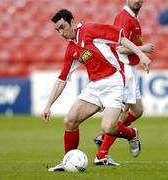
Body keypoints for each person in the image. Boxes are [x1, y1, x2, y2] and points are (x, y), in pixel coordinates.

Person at [42, 9, 151, 171]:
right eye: (57, 30)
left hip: (114, 82)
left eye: (62, 27)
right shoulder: (71, 49)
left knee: (108, 128)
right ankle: (68, 161)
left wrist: (141, 54)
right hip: (94, 86)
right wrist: (48, 105)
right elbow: (62, 78)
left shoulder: (89, 30)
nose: (61, 33)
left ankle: (131, 134)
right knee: (70, 121)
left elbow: (120, 37)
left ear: (72, 22)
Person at [94, 0, 155, 163]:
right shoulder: (124, 18)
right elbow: (119, 48)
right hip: (124, 70)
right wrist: (142, 49)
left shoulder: (133, 18)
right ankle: (102, 154)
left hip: (131, 70)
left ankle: (104, 136)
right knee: (121, 114)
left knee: (138, 110)